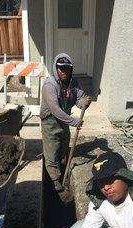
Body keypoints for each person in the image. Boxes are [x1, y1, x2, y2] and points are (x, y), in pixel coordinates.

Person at [40, 53, 91, 192]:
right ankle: (55, 180)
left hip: (63, 122)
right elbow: (55, 110)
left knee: (63, 148)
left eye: (67, 69)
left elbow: (79, 99)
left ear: (71, 70)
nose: (64, 72)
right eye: (61, 68)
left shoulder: (73, 83)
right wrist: (74, 121)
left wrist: (84, 103)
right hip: (50, 123)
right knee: (52, 152)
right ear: (56, 69)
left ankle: (64, 171)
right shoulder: (50, 85)